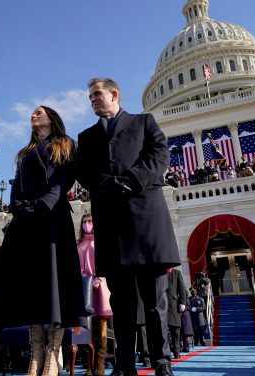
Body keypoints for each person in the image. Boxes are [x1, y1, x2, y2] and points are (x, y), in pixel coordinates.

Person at [76, 77, 181, 376]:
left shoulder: (144, 122)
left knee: (154, 301)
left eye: (97, 94)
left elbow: (159, 156)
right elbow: (84, 171)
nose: (93, 100)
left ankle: (161, 361)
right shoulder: (86, 137)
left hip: (147, 221)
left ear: (114, 94)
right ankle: (124, 364)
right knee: (121, 304)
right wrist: (107, 184)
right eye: (90, 97)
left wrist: (132, 180)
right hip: (112, 227)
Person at [0, 105, 87, 376]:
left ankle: (53, 354)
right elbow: (17, 184)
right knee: (30, 285)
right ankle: (36, 352)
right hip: (27, 223)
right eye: (32, 112)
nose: (33, 115)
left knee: (55, 284)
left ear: (52, 118)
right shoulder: (24, 153)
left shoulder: (66, 145)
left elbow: (64, 179)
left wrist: (45, 204)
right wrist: (19, 207)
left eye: (39, 112)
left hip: (53, 219)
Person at [77, 214, 112, 376]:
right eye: (84, 222)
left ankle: (100, 363)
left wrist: (98, 278)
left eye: (90, 221)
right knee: (87, 327)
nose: (87, 224)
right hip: (85, 288)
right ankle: (89, 365)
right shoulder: (77, 244)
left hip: (100, 286)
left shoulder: (100, 242)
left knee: (102, 326)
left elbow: (105, 262)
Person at [166, 268, 192, 358]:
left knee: (175, 330)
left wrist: (182, 303)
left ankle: (176, 351)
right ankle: (166, 352)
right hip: (162, 305)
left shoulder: (176, 273)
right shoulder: (159, 272)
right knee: (164, 331)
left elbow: (182, 289)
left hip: (173, 306)